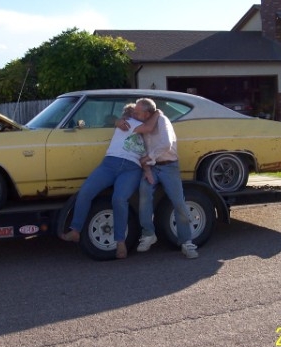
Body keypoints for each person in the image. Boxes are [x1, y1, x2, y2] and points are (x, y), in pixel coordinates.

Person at [60, 104, 148, 259]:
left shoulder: (146, 127)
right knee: (85, 192)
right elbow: (109, 118)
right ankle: (75, 230)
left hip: (132, 167)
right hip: (110, 163)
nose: (130, 114)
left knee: (119, 199)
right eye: (128, 112)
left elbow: (156, 123)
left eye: (134, 112)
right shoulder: (122, 123)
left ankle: (120, 241)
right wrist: (117, 120)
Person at [131, 98, 198, 259]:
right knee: (144, 194)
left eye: (138, 112)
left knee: (178, 202)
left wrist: (149, 157)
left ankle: (187, 242)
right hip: (152, 167)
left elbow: (166, 143)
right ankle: (148, 234)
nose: (135, 113)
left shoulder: (162, 121)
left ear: (147, 113)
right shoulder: (141, 122)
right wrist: (147, 166)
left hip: (169, 166)